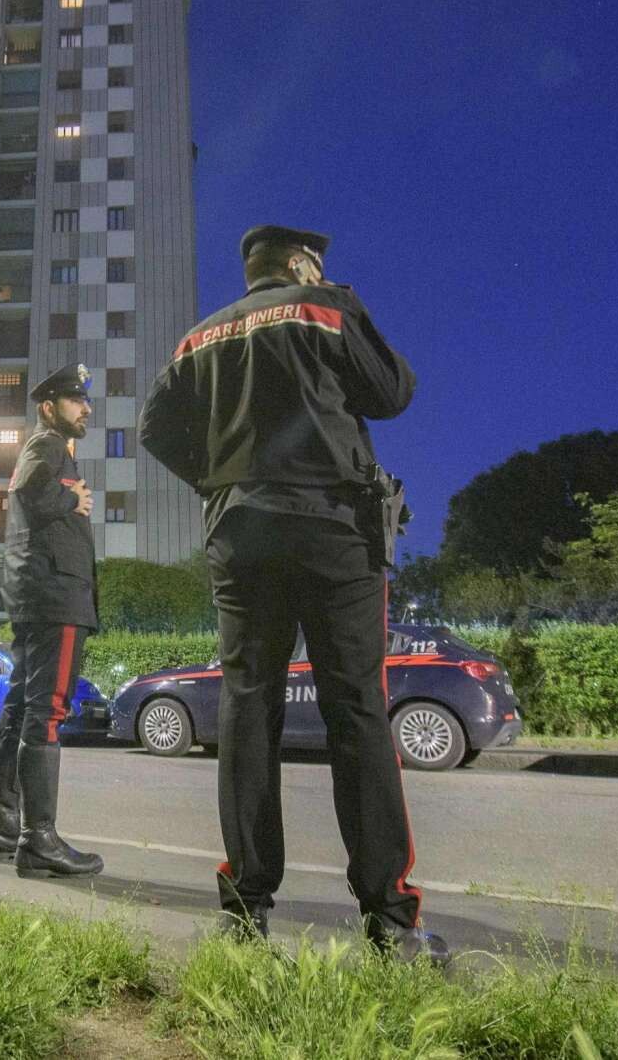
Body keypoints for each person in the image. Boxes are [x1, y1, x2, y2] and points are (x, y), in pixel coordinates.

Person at [138, 225, 444, 961]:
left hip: (241, 532)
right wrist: (342, 298)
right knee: (355, 708)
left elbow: (154, 429)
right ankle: (388, 920)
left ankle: (245, 913)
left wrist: (218, 479)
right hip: (333, 526)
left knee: (247, 707)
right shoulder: (325, 307)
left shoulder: (199, 336)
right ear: (302, 264)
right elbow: (393, 391)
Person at [0, 363, 105, 879]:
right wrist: (71, 498)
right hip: (56, 596)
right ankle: (39, 840)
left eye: (86, 401)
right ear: (49, 407)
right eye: (77, 400)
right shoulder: (47, 444)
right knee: (46, 713)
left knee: (20, 711)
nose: (86, 408)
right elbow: (31, 491)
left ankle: (4, 829)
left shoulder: (48, 446)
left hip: (38, 594)